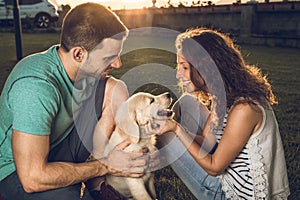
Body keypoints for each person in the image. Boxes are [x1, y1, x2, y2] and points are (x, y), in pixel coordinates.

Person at [0, 3, 150, 199]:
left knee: (115, 88)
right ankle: (95, 176)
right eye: (109, 57)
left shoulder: (85, 71)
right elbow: (32, 178)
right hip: (18, 171)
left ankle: (97, 184)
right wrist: (104, 165)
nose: (118, 63)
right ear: (79, 54)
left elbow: (113, 92)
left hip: (61, 145)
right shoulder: (35, 87)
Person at [157, 28, 290, 199]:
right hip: (225, 177)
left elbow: (214, 167)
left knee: (166, 135)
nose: (178, 74)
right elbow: (206, 142)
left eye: (184, 67)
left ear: (204, 67)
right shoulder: (223, 96)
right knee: (186, 102)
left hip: (234, 194)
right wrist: (175, 129)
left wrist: (175, 130)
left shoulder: (244, 108)